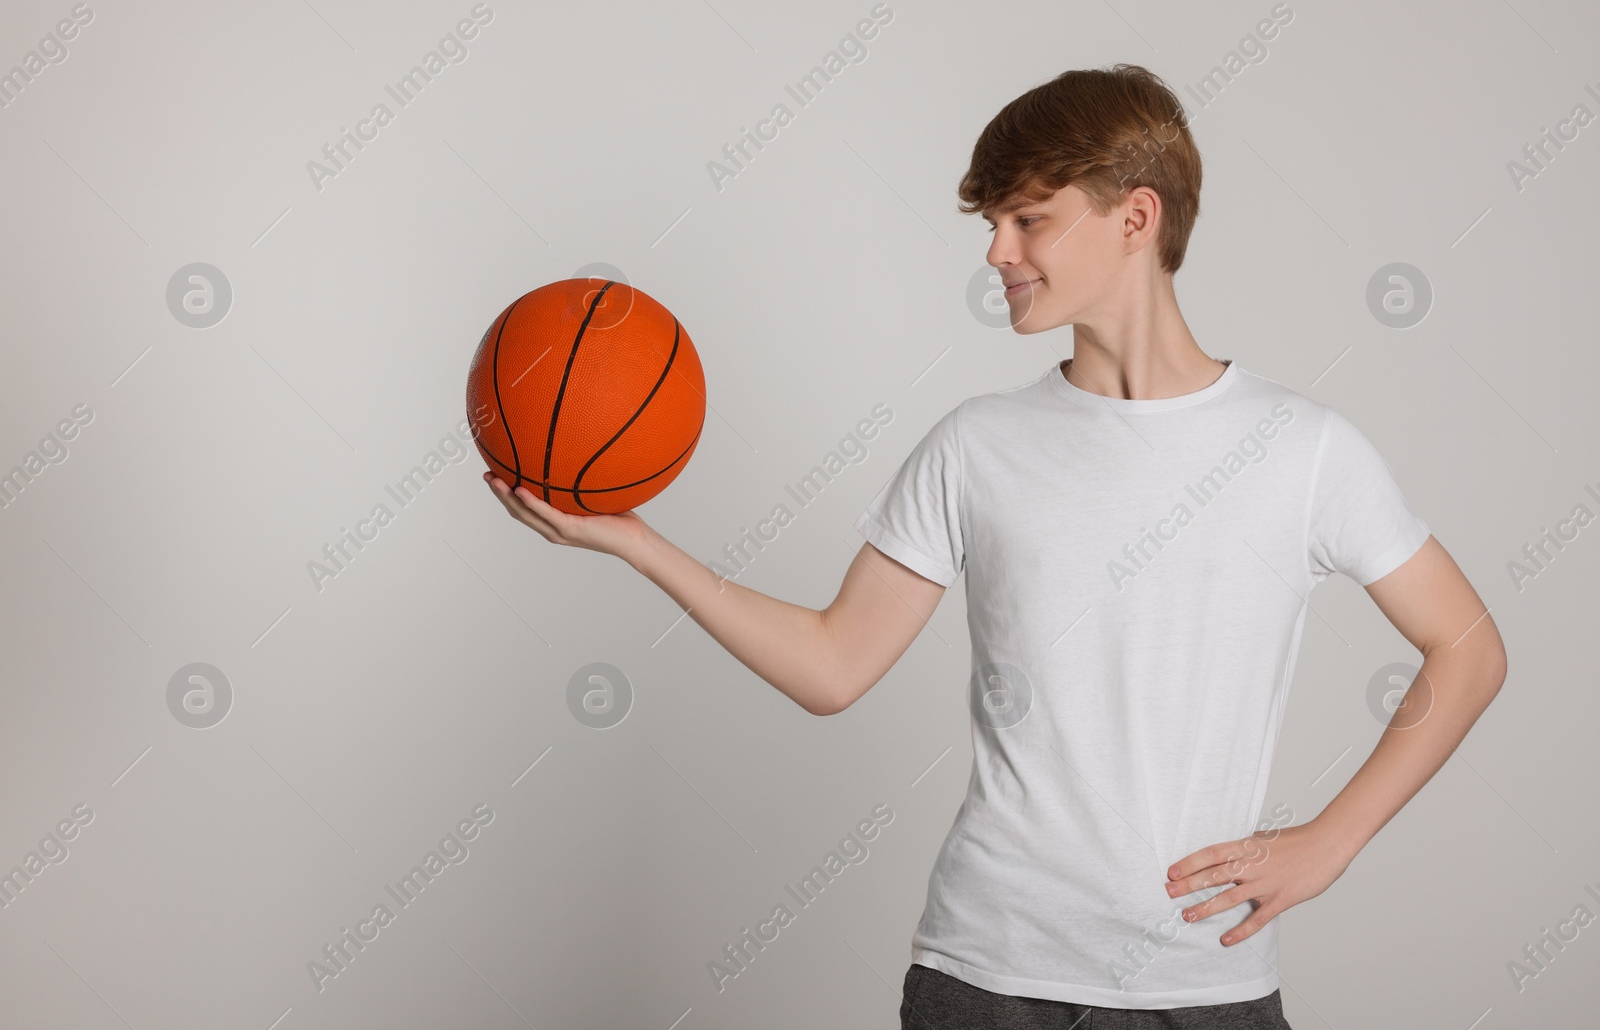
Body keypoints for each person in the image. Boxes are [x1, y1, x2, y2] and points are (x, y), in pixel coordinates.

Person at [483, 64, 1507, 1028]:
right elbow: (834, 666)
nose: (995, 253)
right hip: (985, 978)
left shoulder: (1303, 450)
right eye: (992, 223)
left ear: (1133, 217)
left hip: (1205, 983)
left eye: (1028, 220)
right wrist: (637, 541)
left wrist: (1331, 839)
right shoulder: (976, 446)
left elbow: (1467, 649)